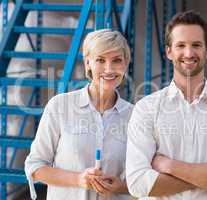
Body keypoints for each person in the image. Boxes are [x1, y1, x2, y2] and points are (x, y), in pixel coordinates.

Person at [126, 10, 207, 200]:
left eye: (196, 45)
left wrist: (169, 166)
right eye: (180, 45)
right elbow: (137, 183)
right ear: (169, 51)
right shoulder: (146, 108)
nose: (188, 53)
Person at [25, 29, 133, 200]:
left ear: (126, 64)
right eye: (100, 60)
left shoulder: (134, 116)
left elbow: (143, 178)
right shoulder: (60, 106)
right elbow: (35, 167)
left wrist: (121, 187)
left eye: (117, 60)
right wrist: (78, 180)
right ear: (87, 63)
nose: (109, 68)